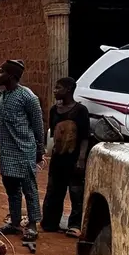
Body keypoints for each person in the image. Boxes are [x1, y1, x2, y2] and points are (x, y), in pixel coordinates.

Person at [0, 60, 45, 242]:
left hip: (24, 150)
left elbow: (38, 125)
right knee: (11, 188)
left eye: (1, 71)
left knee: (29, 188)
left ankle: (32, 224)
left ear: (12, 76)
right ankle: (14, 222)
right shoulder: (3, 96)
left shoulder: (28, 97)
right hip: (7, 151)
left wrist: (40, 149)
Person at [42, 77, 90, 237]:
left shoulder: (80, 111)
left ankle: (75, 225)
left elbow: (84, 137)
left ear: (69, 89)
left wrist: (81, 159)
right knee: (54, 191)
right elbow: (53, 132)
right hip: (58, 158)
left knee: (76, 193)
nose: (55, 91)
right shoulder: (54, 110)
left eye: (58, 88)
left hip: (74, 158)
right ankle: (50, 223)